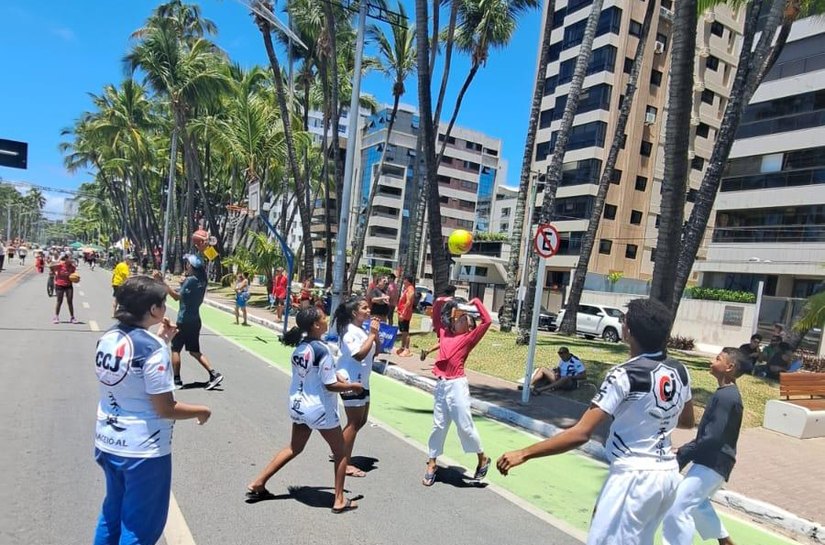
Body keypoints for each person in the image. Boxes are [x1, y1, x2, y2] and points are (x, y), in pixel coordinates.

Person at [496, 298, 695, 545]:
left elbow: (581, 433)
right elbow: (687, 421)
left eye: (624, 320)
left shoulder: (624, 374)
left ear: (629, 331)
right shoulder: (681, 371)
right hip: (667, 475)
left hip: (634, 476)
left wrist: (524, 453)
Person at [92, 276, 211, 545]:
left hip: (108, 441)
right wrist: (201, 410)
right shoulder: (152, 349)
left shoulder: (108, 337)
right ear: (154, 310)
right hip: (142, 450)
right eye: (163, 303)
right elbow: (165, 408)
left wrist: (163, 341)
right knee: (140, 527)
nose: (165, 308)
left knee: (112, 513)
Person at [245, 307, 362, 513]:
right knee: (341, 452)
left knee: (294, 447)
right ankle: (339, 500)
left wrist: (337, 377)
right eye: (324, 318)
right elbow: (329, 386)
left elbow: (317, 375)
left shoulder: (301, 347)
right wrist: (353, 386)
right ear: (316, 325)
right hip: (318, 409)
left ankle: (258, 482)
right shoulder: (322, 350)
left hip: (297, 405)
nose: (327, 320)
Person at [662, 348, 745, 545]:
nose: (712, 360)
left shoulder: (727, 397)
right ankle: (725, 541)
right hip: (713, 461)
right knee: (696, 502)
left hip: (714, 462)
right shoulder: (726, 393)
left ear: (729, 367)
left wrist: (684, 452)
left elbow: (712, 437)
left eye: (718, 358)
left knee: (678, 507)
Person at [423, 296, 493, 486]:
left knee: (464, 424)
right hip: (441, 385)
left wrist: (476, 302)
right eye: (458, 317)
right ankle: (432, 462)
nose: (460, 319)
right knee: (438, 425)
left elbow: (487, 320)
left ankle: (482, 458)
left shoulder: (468, 338)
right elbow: (438, 311)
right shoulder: (444, 333)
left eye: (465, 319)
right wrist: (445, 300)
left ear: (469, 327)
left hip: (457, 385)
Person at [154, 255, 223, 390]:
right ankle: (213, 374)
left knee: (175, 349)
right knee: (194, 351)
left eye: (187, 264)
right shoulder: (202, 280)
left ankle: (177, 380)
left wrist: (162, 282)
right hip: (195, 319)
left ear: (190, 266)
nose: (186, 266)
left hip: (184, 319)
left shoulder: (189, 281)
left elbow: (176, 297)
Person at [334, 297, 381, 478]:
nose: (368, 311)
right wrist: (371, 335)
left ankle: (342, 451)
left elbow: (376, 351)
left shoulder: (362, 330)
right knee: (354, 422)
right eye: (364, 308)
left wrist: (374, 335)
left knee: (361, 421)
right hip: (350, 380)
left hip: (364, 380)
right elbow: (359, 355)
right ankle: (344, 461)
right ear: (355, 313)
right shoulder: (348, 332)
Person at [520, 346, 586, 394]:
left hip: (570, 382)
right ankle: (528, 385)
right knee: (543, 369)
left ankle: (540, 390)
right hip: (560, 379)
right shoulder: (562, 360)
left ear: (567, 353)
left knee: (565, 378)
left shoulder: (576, 361)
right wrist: (557, 372)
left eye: (563, 355)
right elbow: (560, 368)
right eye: (560, 355)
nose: (561, 357)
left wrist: (571, 377)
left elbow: (583, 376)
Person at [50, 253, 78, 324]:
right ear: (65, 259)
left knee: (70, 301)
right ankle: (56, 316)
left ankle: (72, 317)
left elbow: (75, 275)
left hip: (68, 285)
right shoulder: (60, 265)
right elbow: (51, 266)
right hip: (60, 285)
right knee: (59, 301)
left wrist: (75, 279)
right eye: (69, 258)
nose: (71, 259)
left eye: (71, 258)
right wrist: (54, 273)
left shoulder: (72, 267)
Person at [395, 275, 416, 357]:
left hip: (406, 313)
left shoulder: (410, 289)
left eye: (404, 280)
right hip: (401, 312)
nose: (403, 281)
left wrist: (403, 312)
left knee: (405, 331)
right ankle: (402, 347)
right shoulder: (406, 289)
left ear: (407, 280)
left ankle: (407, 349)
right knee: (402, 331)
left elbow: (408, 302)